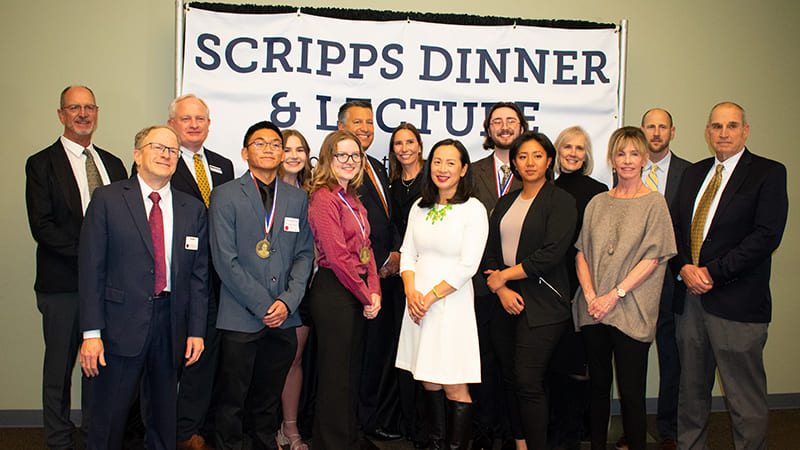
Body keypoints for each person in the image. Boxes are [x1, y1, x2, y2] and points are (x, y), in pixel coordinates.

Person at [78, 125, 209, 450]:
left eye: (172, 150)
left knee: (164, 418)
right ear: (137, 156)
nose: (166, 155)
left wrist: (196, 331)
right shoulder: (107, 200)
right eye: (158, 147)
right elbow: (91, 269)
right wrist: (91, 334)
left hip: (171, 325)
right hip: (118, 325)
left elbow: (198, 277)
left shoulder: (192, 208)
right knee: (109, 417)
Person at [671, 102, 787, 450]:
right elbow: (675, 228)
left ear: (745, 131)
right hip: (690, 301)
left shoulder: (768, 172)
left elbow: (766, 236)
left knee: (743, 400)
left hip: (737, 304)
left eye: (732, 126)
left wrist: (712, 273)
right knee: (690, 394)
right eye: (717, 126)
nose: (723, 133)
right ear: (707, 131)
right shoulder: (694, 173)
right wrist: (683, 268)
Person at [25, 85, 128, 450]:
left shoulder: (113, 164)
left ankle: (93, 436)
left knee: (99, 367)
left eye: (89, 107)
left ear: (97, 113)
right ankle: (58, 439)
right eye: (74, 108)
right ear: (61, 114)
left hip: (108, 288)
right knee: (59, 369)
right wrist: (92, 256)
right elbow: (43, 227)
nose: (82, 114)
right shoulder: (41, 164)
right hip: (63, 286)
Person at [209, 121, 314, 450]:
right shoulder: (225, 195)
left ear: (283, 153)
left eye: (274, 144)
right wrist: (264, 305)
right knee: (231, 401)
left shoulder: (297, 198)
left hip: (284, 318)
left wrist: (287, 302)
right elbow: (225, 260)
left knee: (268, 401)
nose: (269, 149)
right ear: (244, 152)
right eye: (260, 143)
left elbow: (304, 254)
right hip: (241, 315)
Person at [572, 127, 676, 450]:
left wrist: (613, 296)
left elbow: (653, 259)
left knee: (631, 393)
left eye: (634, 153)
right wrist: (591, 296)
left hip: (631, 312)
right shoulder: (597, 202)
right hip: (594, 312)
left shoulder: (654, 203)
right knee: (599, 389)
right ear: (612, 160)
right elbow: (581, 253)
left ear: (645, 159)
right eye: (621, 153)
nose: (627, 160)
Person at [483, 131, 577, 449]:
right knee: (510, 379)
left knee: (528, 380)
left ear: (549, 160)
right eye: (522, 156)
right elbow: (491, 251)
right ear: (514, 163)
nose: (529, 162)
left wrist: (504, 277)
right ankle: (520, 443)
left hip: (543, 303)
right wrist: (502, 289)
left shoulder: (561, 200)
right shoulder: (507, 201)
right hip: (505, 301)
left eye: (537, 155)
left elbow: (551, 252)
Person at [395, 139, 489, 450]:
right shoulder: (420, 206)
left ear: (464, 169)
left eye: (451, 163)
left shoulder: (473, 209)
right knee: (427, 377)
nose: (442, 169)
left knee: (453, 382)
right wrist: (411, 292)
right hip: (417, 303)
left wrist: (431, 297)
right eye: (437, 161)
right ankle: (433, 443)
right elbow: (407, 252)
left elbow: (468, 266)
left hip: (450, 303)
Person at [166, 93, 234, 450]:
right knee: (171, 358)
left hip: (219, 279)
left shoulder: (224, 166)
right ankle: (171, 431)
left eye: (200, 119)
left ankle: (195, 429)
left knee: (206, 358)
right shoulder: (162, 160)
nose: (194, 125)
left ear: (209, 124)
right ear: (171, 125)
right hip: (177, 277)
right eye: (186, 119)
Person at [307, 130, 382, 450]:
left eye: (356, 156)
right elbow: (337, 256)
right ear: (328, 159)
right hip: (334, 290)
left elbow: (367, 249)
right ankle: (332, 443)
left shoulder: (353, 198)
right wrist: (367, 296)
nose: (350, 161)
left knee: (350, 371)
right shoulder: (323, 197)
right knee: (336, 375)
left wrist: (375, 290)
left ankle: (348, 437)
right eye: (342, 155)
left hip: (356, 289)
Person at [337, 100, 404, 442]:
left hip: (386, 276)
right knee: (356, 357)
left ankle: (369, 419)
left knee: (378, 353)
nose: (365, 128)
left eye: (369, 122)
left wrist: (395, 251)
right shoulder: (338, 170)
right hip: (355, 280)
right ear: (340, 128)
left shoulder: (377, 165)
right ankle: (355, 426)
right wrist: (374, 264)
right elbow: (346, 229)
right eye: (357, 122)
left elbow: (386, 218)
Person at [470, 102, 526, 450]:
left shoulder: (533, 170)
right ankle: (484, 429)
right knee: (484, 360)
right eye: (497, 122)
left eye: (511, 121)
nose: (504, 127)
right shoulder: (471, 171)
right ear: (488, 129)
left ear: (521, 126)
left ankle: (513, 430)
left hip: (521, 283)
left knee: (518, 364)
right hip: (478, 282)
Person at [549, 126, 607, 450]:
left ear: (587, 155)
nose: (573, 152)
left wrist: (589, 288)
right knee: (554, 366)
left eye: (580, 148)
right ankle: (556, 432)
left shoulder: (599, 191)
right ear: (557, 152)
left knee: (579, 367)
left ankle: (574, 434)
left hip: (584, 287)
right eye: (567, 147)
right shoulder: (546, 188)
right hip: (551, 287)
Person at [638, 108, 690, 450]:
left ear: (672, 131)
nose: (656, 133)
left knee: (673, 360)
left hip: (672, 282)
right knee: (632, 362)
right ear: (642, 131)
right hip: (633, 283)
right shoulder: (626, 169)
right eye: (650, 127)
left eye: (662, 127)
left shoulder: (691, 173)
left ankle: (669, 429)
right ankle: (632, 426)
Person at [387, 123, 428, 448]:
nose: (404, 148)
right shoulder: (389, 185)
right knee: (402, 348)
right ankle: (408, 422)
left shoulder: (432, 180)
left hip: (425, 273)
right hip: (395, 277)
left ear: (419, 145)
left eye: (409, 142)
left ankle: (427, 425)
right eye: (398, 143)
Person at [276, 128, 314, 450]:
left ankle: (290, 429)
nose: (293, 155)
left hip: (305, 291)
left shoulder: (314, 194)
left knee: (294, 359)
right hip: (266, 292)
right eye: (287, 149)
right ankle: (264, 426)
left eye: (300, 149)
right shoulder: (262, 193)